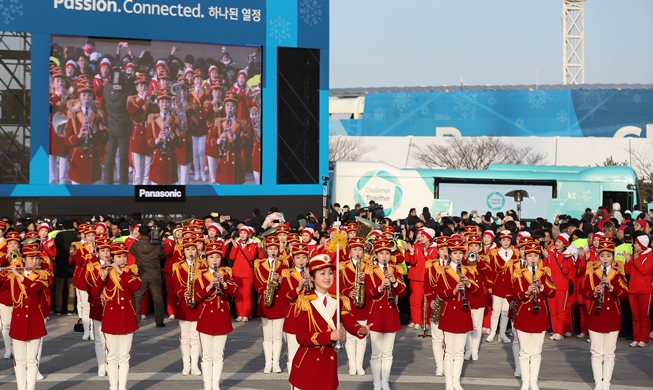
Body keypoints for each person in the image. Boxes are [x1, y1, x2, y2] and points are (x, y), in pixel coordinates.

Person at [288, 254, 372, 390]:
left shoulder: (338, 300)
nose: (327, 277)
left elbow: (348, 319)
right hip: (308, 366)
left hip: (328, 365)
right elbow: (301, 337)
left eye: (330, 273)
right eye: (322, 273)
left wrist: (359, 329)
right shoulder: (305, 302)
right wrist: (329, 337)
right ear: (312, 278)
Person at [0, 242, 52, 390]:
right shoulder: (13, 275)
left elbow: (36, 288)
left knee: (32, 361)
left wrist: (19, 275)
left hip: (35, 321)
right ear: (23, 259)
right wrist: (5, 265)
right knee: (20, 360)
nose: (34, 262)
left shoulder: (43, 274)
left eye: (37, 258)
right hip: (18, 322)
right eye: (31, 258)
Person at [92, 241, 142, 390]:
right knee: (112, 356)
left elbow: (136, 286)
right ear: (112, 257)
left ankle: (123, 387)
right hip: (111, 318)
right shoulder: (104, 271)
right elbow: (94, 293)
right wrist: (102, 278)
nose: (122, 260)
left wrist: (121, 272)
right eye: (118, 257)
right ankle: (113, 387)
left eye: (124, 256)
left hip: (127, 316)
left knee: (125, 356)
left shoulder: (131, 270)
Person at [583, 235, 628, 390]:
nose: (605, 259)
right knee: (596, 351)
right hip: (595, 314)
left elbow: (624, 294)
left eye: (608, 255)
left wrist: (611, 287)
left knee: (609, 353)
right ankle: (598, 383)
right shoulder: (591, 269)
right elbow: (585, 292)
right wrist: (595, 292)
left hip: (612, 315)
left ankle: (606, 383)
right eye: (602, 255)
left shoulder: (618, 270)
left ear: (613, 256)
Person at [436, 235, 479, 390]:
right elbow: (440, 292)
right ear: (450, 254)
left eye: (461, 253)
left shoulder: (468, 270)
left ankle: (456, 380)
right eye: (455, 253)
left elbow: (476, 291)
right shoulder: (443, 270)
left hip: (463, 311)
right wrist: (453, 290)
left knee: (459, 351)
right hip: (449, 313)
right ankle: (448, 381)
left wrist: (468, 283)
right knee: (449, 351)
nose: (458, 256)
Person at [512, 239, 556, 390]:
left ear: (539, 257)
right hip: (524, 314)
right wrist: (526, 292)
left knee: (536, 352)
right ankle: (525, 382)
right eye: (529, 255)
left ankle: (534, 382)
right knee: (524, 352)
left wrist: (541, 286)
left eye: (535, 256)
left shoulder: (545, 272)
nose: (532, 258)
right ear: (525, 256)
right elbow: (514, 294)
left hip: (540, 315)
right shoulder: (518, 272)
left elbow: (552, 292)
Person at [193, 241, 238, 390]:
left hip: (221, 318)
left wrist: (224, 283)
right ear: (206, 259)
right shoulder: (200, 274)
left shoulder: (226, 273)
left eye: (217, 257)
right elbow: (196, 297)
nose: (214, 260)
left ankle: (216, 383)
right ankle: (207, 385)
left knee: (218, 354)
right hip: (206, 318)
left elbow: (236, 293)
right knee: (206, 355)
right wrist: (210, 286)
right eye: (211, 257)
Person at [365, 238, 406, 390]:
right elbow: (369, 293)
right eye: (381, 253)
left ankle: (385, 382)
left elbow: (402, 293)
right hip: (376, 314)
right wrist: (380, 287)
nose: (384, 256)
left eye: (387, 253)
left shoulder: (396, 270)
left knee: (388, 353)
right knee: (376, 353)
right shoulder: (370, 270)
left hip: (390, 314)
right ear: (376, 254)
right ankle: (377, 383)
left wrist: (395, 282)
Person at [254, 236, 289, 373]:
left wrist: (280, 279)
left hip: (279, 302)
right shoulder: (260, 264)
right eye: (270, 249)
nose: (273, 251)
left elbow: (288, 283)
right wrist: (263, 290)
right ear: (266, 250)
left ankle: (277, 363)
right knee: (267, 336)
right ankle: (268, 363)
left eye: (275, 249)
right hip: (266, 301)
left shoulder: (283, 264)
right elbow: (256, 282)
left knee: (278, 336)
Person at [64, 79, 108, 184]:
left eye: (89, 95)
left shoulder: (99, 114)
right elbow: (67, 141)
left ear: (93, 97)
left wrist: (96, 130)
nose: (87, 99)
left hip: (93, 158)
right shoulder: (73, 114)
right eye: (84, 95)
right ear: (79, 96)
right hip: (77, 158)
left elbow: (106, 138)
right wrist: (78, 136)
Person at [172, 236, 203, 375]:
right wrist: (181, 293)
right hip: (184, 303)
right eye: (187, 249)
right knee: (185, 336)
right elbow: (175, 285)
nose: (190, 252)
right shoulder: (177, 266)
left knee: (196, 336)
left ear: (197, 250)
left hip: (198, 303)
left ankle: (195, 365)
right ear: (183, 251)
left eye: (193, 249)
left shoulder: (202, 265)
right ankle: (186, 364)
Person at [339, 236, 369, 376]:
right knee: (350, 337)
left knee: (362, 335)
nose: (358, 252)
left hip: (364, 303)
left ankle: (360, 364)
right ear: (350, 250)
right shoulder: (343, 265)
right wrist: (348, 291)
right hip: (349, 303)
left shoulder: (368, 266)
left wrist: (366, 278)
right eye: (355, 249)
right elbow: (338, 285)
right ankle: (352, 364)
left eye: (360, 249)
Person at [279, 243, 310, 376]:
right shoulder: (287, 274)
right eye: (298, 257)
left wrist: (313, 284)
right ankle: (294, 381)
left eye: (304, 257)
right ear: (293, 258)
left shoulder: (312, 274)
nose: (301, 260)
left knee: (308, 353)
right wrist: (297, 288)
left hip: (310, 316)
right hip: (294, 316)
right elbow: (284, 297)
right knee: (293, 351)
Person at [85, 235, 112, 376]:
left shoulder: (115, 265)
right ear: (98, 252)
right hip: (98, 304)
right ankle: (101, 364)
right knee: (99, 337)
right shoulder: (91, 266)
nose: (106, 253)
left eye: (108, 250)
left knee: (111, 337)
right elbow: (89, 285)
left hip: (112, 305)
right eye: (103, 250)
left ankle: (110, 363)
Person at [424, 235, 451, 376]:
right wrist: (431, 300)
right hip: (435, 304)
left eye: (447, 249)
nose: (444, 252)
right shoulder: (430, 264)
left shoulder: (454, 266)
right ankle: (439, 365)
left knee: (449, 338)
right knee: (436, 338)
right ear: (438, 250)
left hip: (450, 305)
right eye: (442, 249)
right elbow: (427, 285)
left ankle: (448, 364)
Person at [130, 225, 166, 328]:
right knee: (158, 298)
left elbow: (132, 251)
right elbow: (162, 254)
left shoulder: (136, 246)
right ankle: (159, 322)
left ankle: (135, 320)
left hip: (142, 274)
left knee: (137, 298)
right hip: (155, 274)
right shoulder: (156, 245)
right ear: (149, 234)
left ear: (139, 233)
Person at [487, 230, 518, 343]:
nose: (506, 242)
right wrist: (490, 285)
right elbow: (491, 270)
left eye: (508, 240)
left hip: (509, 287)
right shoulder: (494, 253)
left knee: (506, 311)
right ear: (499, 241)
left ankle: (502, 334)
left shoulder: (515, 253)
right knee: (496, 311)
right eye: (503, 240)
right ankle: (492, 332)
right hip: (497, 285)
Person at [463, 234, 491, 361]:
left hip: (479, 295)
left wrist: (479, 259)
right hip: (467, 296)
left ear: (480, 247)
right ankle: (468, 349)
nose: (473, 248)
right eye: (471, 246)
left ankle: (475, 350)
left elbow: (489, 272)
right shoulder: (463, 259)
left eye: (476, 246)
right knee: (467, 324)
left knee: (477, 325)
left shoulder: (484, 258)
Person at [146, 86, 182, 185]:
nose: (165, 105)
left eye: (167, 102)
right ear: (158, 103)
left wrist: (172, 135)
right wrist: (157, 140)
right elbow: (148, 142)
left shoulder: (175, 119)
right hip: (157, 159)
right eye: (162, 102)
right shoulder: (152, 119)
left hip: (170, 159)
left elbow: (180, 143)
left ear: (171, 104)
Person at [543, 233, 574, 340]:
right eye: (556, 241)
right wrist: (546, 257)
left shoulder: (568, 256)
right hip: (551, 286)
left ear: (565, 244)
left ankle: (560, 332)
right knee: (552, 311)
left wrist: (565, 260)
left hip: (562, 287)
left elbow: (566, 271)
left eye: (560, 242)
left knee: (561, 311)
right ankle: (555, 331)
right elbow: (545, 268)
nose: (557, 243)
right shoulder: (551, 253)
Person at [229, 226, 262, 322]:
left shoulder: (253, 244)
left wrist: (244, 247)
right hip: (237, 273)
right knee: (238, 295)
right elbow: (232, 257)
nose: (242, 235)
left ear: (248, 234)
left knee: (246, 295)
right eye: (241, 233)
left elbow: (251, 257)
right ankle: (240, 314)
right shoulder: (237, 244)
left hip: (247, 273)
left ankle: (246, 314)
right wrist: (235, 248)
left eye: (244, 233)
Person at [126, 74, 154, 185]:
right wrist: (142, 99)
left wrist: (149, 100)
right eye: (141, 85)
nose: (143, 88)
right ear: (137, 87)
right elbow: (131, 111)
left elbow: (156, 112)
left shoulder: (152, 99)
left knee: (147, 174)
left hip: (148, 134)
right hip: (137, 136)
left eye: (145, 85)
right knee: (138, 174)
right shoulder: (132, 99)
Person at [625, 233, 652, 347]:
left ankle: (643, 339)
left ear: (642, 245)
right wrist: (628, 261)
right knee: (635, 316)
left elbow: (645, 271)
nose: (634, 245)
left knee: (644, 316)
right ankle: (636, 338)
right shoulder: (635, 255)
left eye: (636, 243)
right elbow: (628, 272)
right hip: (633, 289)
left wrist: (635, 260)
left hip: (645, 290)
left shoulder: (650, 255)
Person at [0, 231, 21, 359]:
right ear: (6, 245)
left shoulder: (21, 257)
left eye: (15, 243)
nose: (13, 246)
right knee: (6, 323)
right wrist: (5, 258)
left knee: (17, 322)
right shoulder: (2, 258)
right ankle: (8, 348)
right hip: (5, 294)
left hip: (18, 294)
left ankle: (16, 347)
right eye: (10, 243)